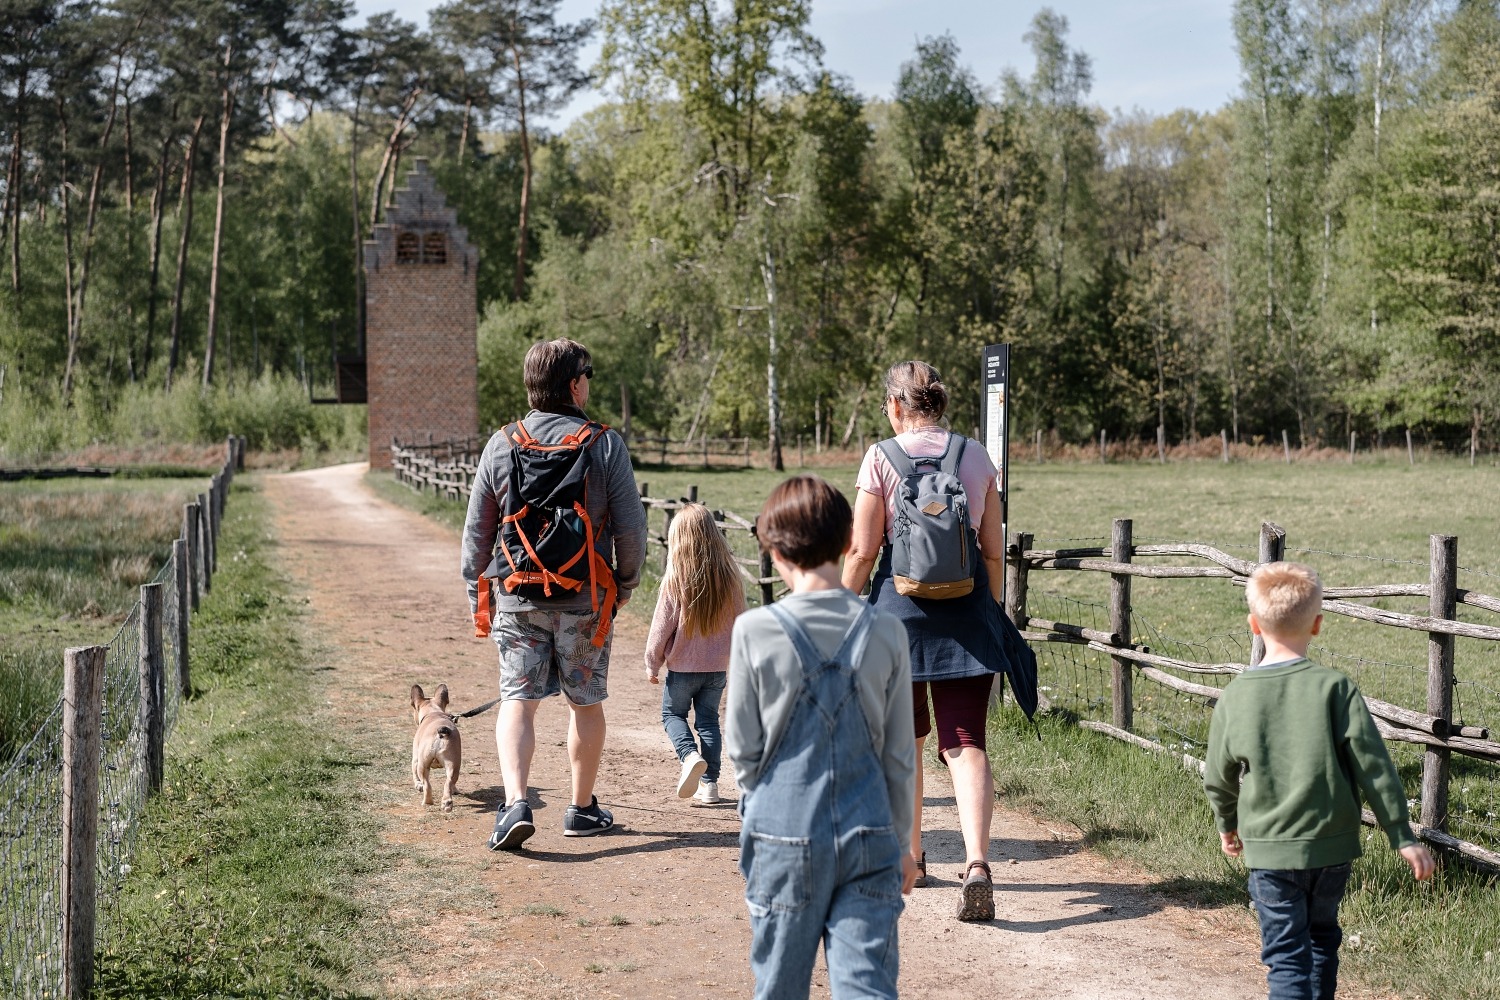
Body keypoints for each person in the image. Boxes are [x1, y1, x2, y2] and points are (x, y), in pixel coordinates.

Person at [841, 359, 1031, 922]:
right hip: (967, 617)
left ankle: (912, 855)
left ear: (897, 407)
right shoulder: (976, 457)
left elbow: (862, 551)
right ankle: (976, 864)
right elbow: (993, 549)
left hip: (895, 620)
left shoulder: (881, 458)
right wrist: (987, 610)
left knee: (906, 740)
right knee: (966, 742)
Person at [1205, 561, 1435, 1000]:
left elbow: (1219, 776)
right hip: (1333, 846)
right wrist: (1401, 835)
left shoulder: (1237, 695)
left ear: (1253, 625)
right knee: (1322, 939)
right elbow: (1375, 767)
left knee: (1288, 956)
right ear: (1317, 625)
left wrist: (1226, 824)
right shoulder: (1336, 688)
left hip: (1270, 848)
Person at [726, 475, 918, 1000]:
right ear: (847, 543)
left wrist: (764, 807)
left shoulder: (755, 632)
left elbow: (743, 749)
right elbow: (900, 755)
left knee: (780, 987)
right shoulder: (886, 631)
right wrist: (903, 845)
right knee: (867, 988)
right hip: (869, 834)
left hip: (783, 834)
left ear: (776, 552)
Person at [461, 338, 647, 850]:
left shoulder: (501, 444)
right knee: (583, 702)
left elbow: (479, 529)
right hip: (585, 600)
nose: (590, 382)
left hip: (518, 596)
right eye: (588, 374)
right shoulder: (605, 445)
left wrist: (475, 585)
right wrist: (625, 584)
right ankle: (581, 810)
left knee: (518, 701)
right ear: (573, 383)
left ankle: (516, 803)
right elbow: (630, 530)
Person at [645, 502, 746, 805]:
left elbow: (660, 631)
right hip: (716, 670)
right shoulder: (731, 581)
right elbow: (742, 624)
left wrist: (652, 663)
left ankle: (689, 755)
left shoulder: (676, 582)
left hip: (682, 671)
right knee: (709, 722)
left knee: (672, 714)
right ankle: (711, 785)